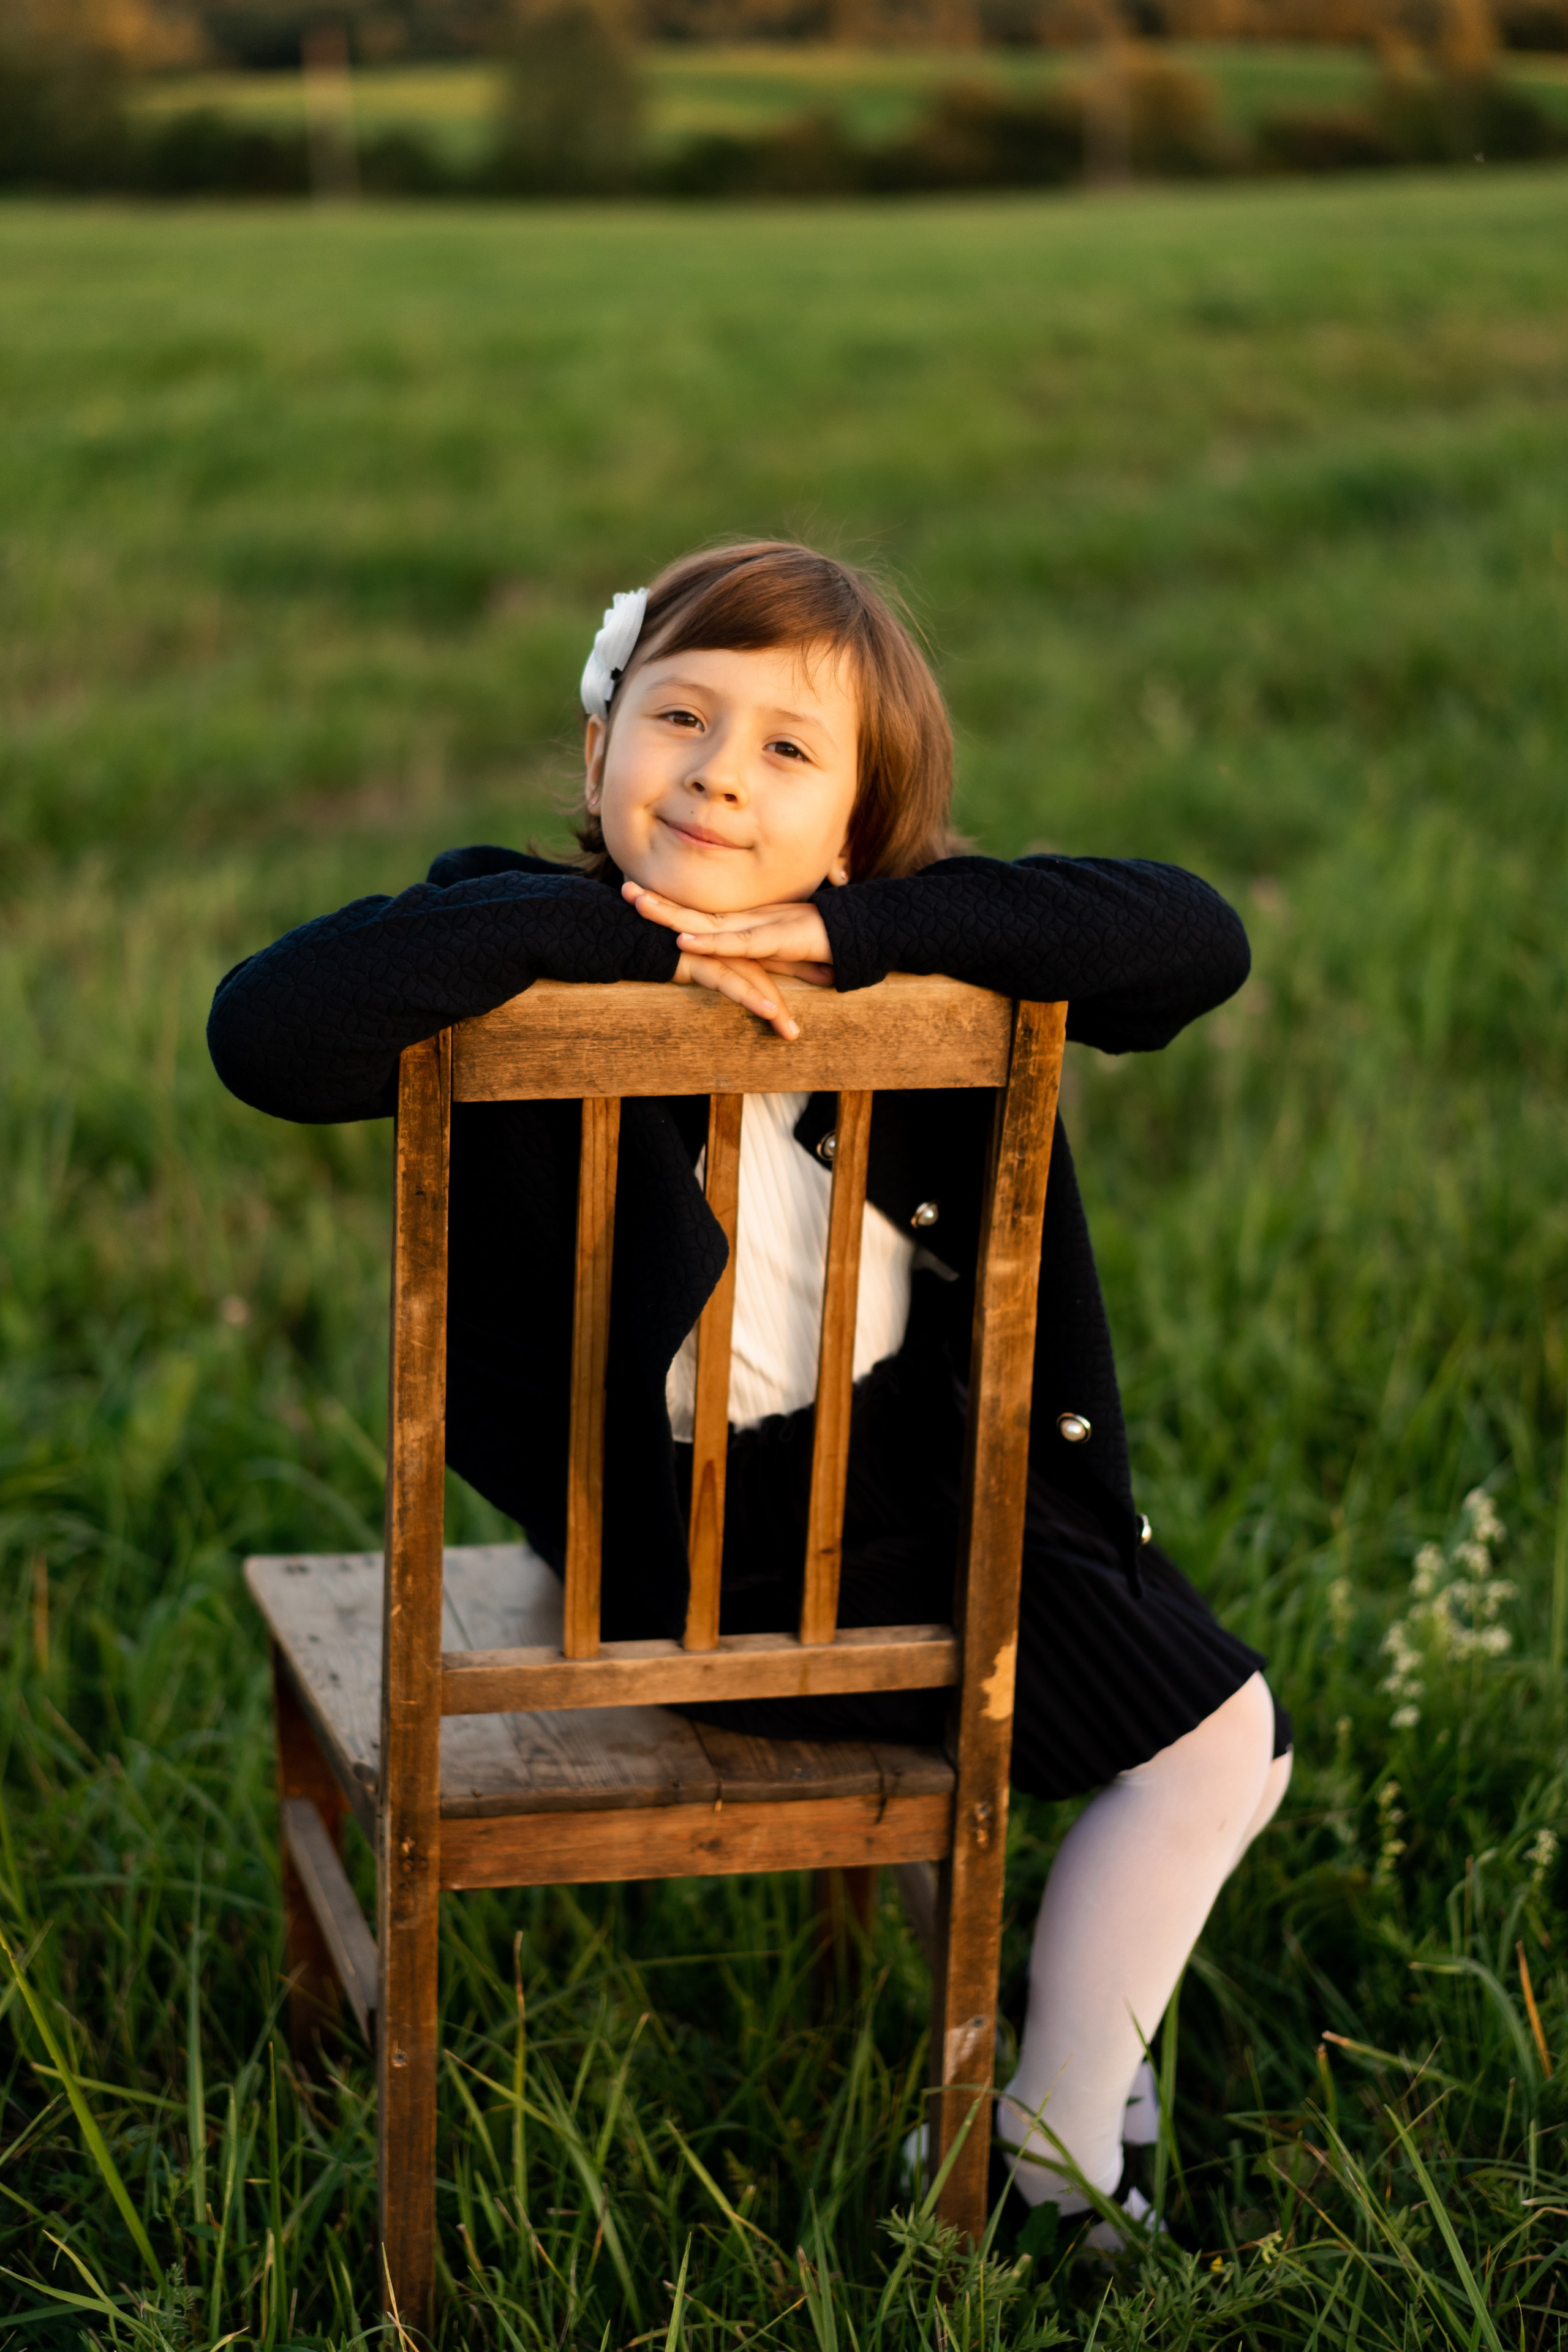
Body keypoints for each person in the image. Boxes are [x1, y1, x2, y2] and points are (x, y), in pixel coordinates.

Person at [208, 539, 1291, 2244]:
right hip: (673, 1559)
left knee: (1227, 1735)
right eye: (682, 719)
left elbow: (1194, 939)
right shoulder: (499, 942)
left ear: (862, 826)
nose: (719, 771)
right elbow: (265, 1031)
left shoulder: (913, 959)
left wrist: (859, 931)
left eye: (791, 750)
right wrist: (619, 936)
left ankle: (1069, 2074)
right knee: (1226, 1741)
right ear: (598, 751)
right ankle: (1059, 2148)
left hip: (904, 1500)